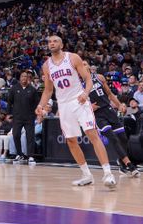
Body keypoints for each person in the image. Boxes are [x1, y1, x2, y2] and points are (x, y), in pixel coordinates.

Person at [35, 36, 117, 188]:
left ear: (62, 44)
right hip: (64, 104)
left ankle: (108, 173)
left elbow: (88, 79)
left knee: (92, 134)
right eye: (49, 42)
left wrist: (86, 93)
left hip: (79, 100)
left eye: (55, 41)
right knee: (71, 140)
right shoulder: (46, 66)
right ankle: (86, 175)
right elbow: (48, 90)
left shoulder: (73, 58)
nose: (52, 43)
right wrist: (41, 104)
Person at [84, 62, 140, 177]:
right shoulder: (79, 84)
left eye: (85, 64)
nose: (83, 65)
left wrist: (119, 105)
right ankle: (129, 164)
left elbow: (109, 94)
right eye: (81, 64)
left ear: (89, 66)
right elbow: (77, 103)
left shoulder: (99, 77)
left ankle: (122, 163)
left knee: (123, 138)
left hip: (109, 110)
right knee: (113, 138)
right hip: (97, 115)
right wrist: (89, 107)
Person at [7, 70, 38, 164]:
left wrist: (35, 114)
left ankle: (30, 156)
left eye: (26, 76)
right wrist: (9, 114)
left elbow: (37, 103)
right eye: (22, 76)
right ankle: (19, 154)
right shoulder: (14, 88)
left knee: (30, 137)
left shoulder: (32, 89)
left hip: (29, 117)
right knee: (16, 135)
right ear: (20, 78)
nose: (24, 78)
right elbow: (9, 102)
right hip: (17, 117)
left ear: (28, 78)